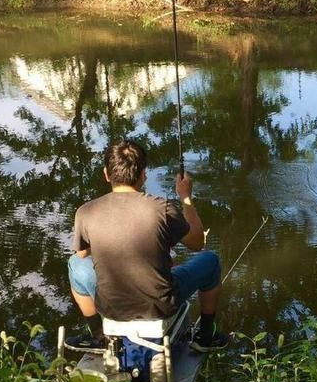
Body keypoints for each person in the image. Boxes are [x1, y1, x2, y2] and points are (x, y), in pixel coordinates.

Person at [66, 139, 228, 353]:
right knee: (211, 261)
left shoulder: (86, 211)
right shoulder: (162, 208)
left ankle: (97, 336)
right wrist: (186, 197)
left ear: (106, 174)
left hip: (111, 307)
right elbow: (198, 243)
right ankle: (206, 335)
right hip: (160, 307)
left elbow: (82, 253)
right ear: (143, 174)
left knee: (75, 265)